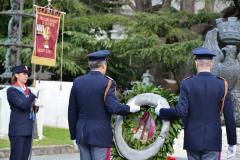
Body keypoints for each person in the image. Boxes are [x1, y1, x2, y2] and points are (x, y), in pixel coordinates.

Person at [155, 47, 237, 160]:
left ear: (196, 63)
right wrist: (232, 142)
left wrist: (161, 111)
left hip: (192, 140)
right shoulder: (222, 84)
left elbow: (180, 111)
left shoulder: (187, 83)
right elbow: (229, 117)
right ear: (212, 63)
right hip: (212, 140)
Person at [68, 50, 140, 160]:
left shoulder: (78, 82)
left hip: (81, 133)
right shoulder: (108, 82)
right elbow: (113, 107)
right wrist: (129, 108)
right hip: (100, 135)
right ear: (103, 65)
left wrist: (74, 134)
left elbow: (72, 111)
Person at [7, 65, 40, 160]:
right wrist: (33, 95)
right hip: (18, 130)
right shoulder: (12, 90)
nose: (26, 76)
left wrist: (37, 105)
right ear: (16, 75)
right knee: (17, 157)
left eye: (27, 74)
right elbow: (23, 106)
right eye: (24, 74)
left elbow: (32, 110)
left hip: (28, 129)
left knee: (25, 157)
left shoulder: (28, 91)